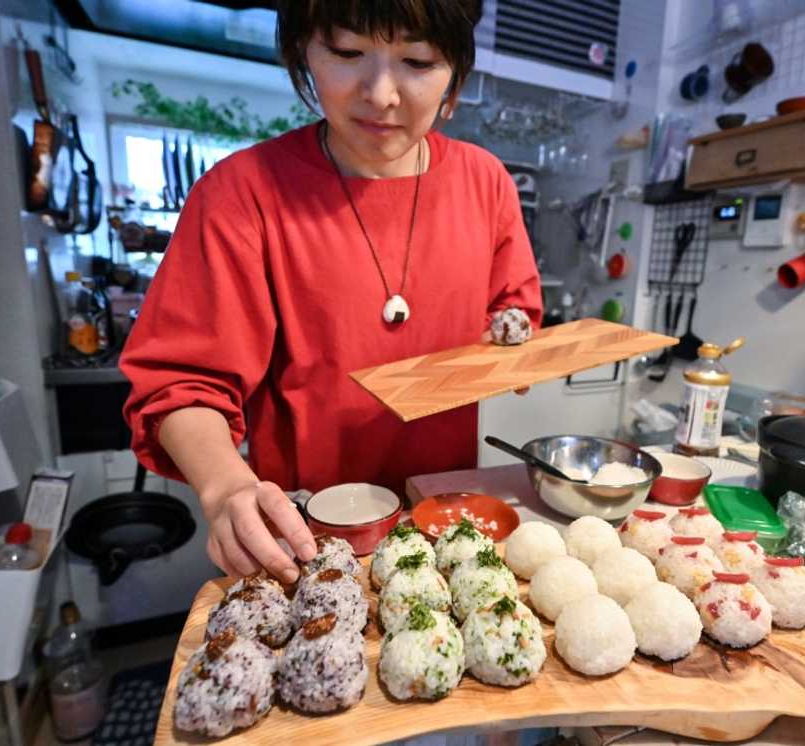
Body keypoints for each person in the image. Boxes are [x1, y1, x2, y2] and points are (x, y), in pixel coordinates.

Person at [120, 0, 542, 584]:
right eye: (347, 52)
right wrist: (225, 487)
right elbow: (182, 381)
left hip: (448, 527)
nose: (382, 94)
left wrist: (515, 344)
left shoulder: (485, 183)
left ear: (456, 74)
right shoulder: (242, 194)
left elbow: (515, 310)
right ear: (303, 51)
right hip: (305, 539)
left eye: (417, 62)